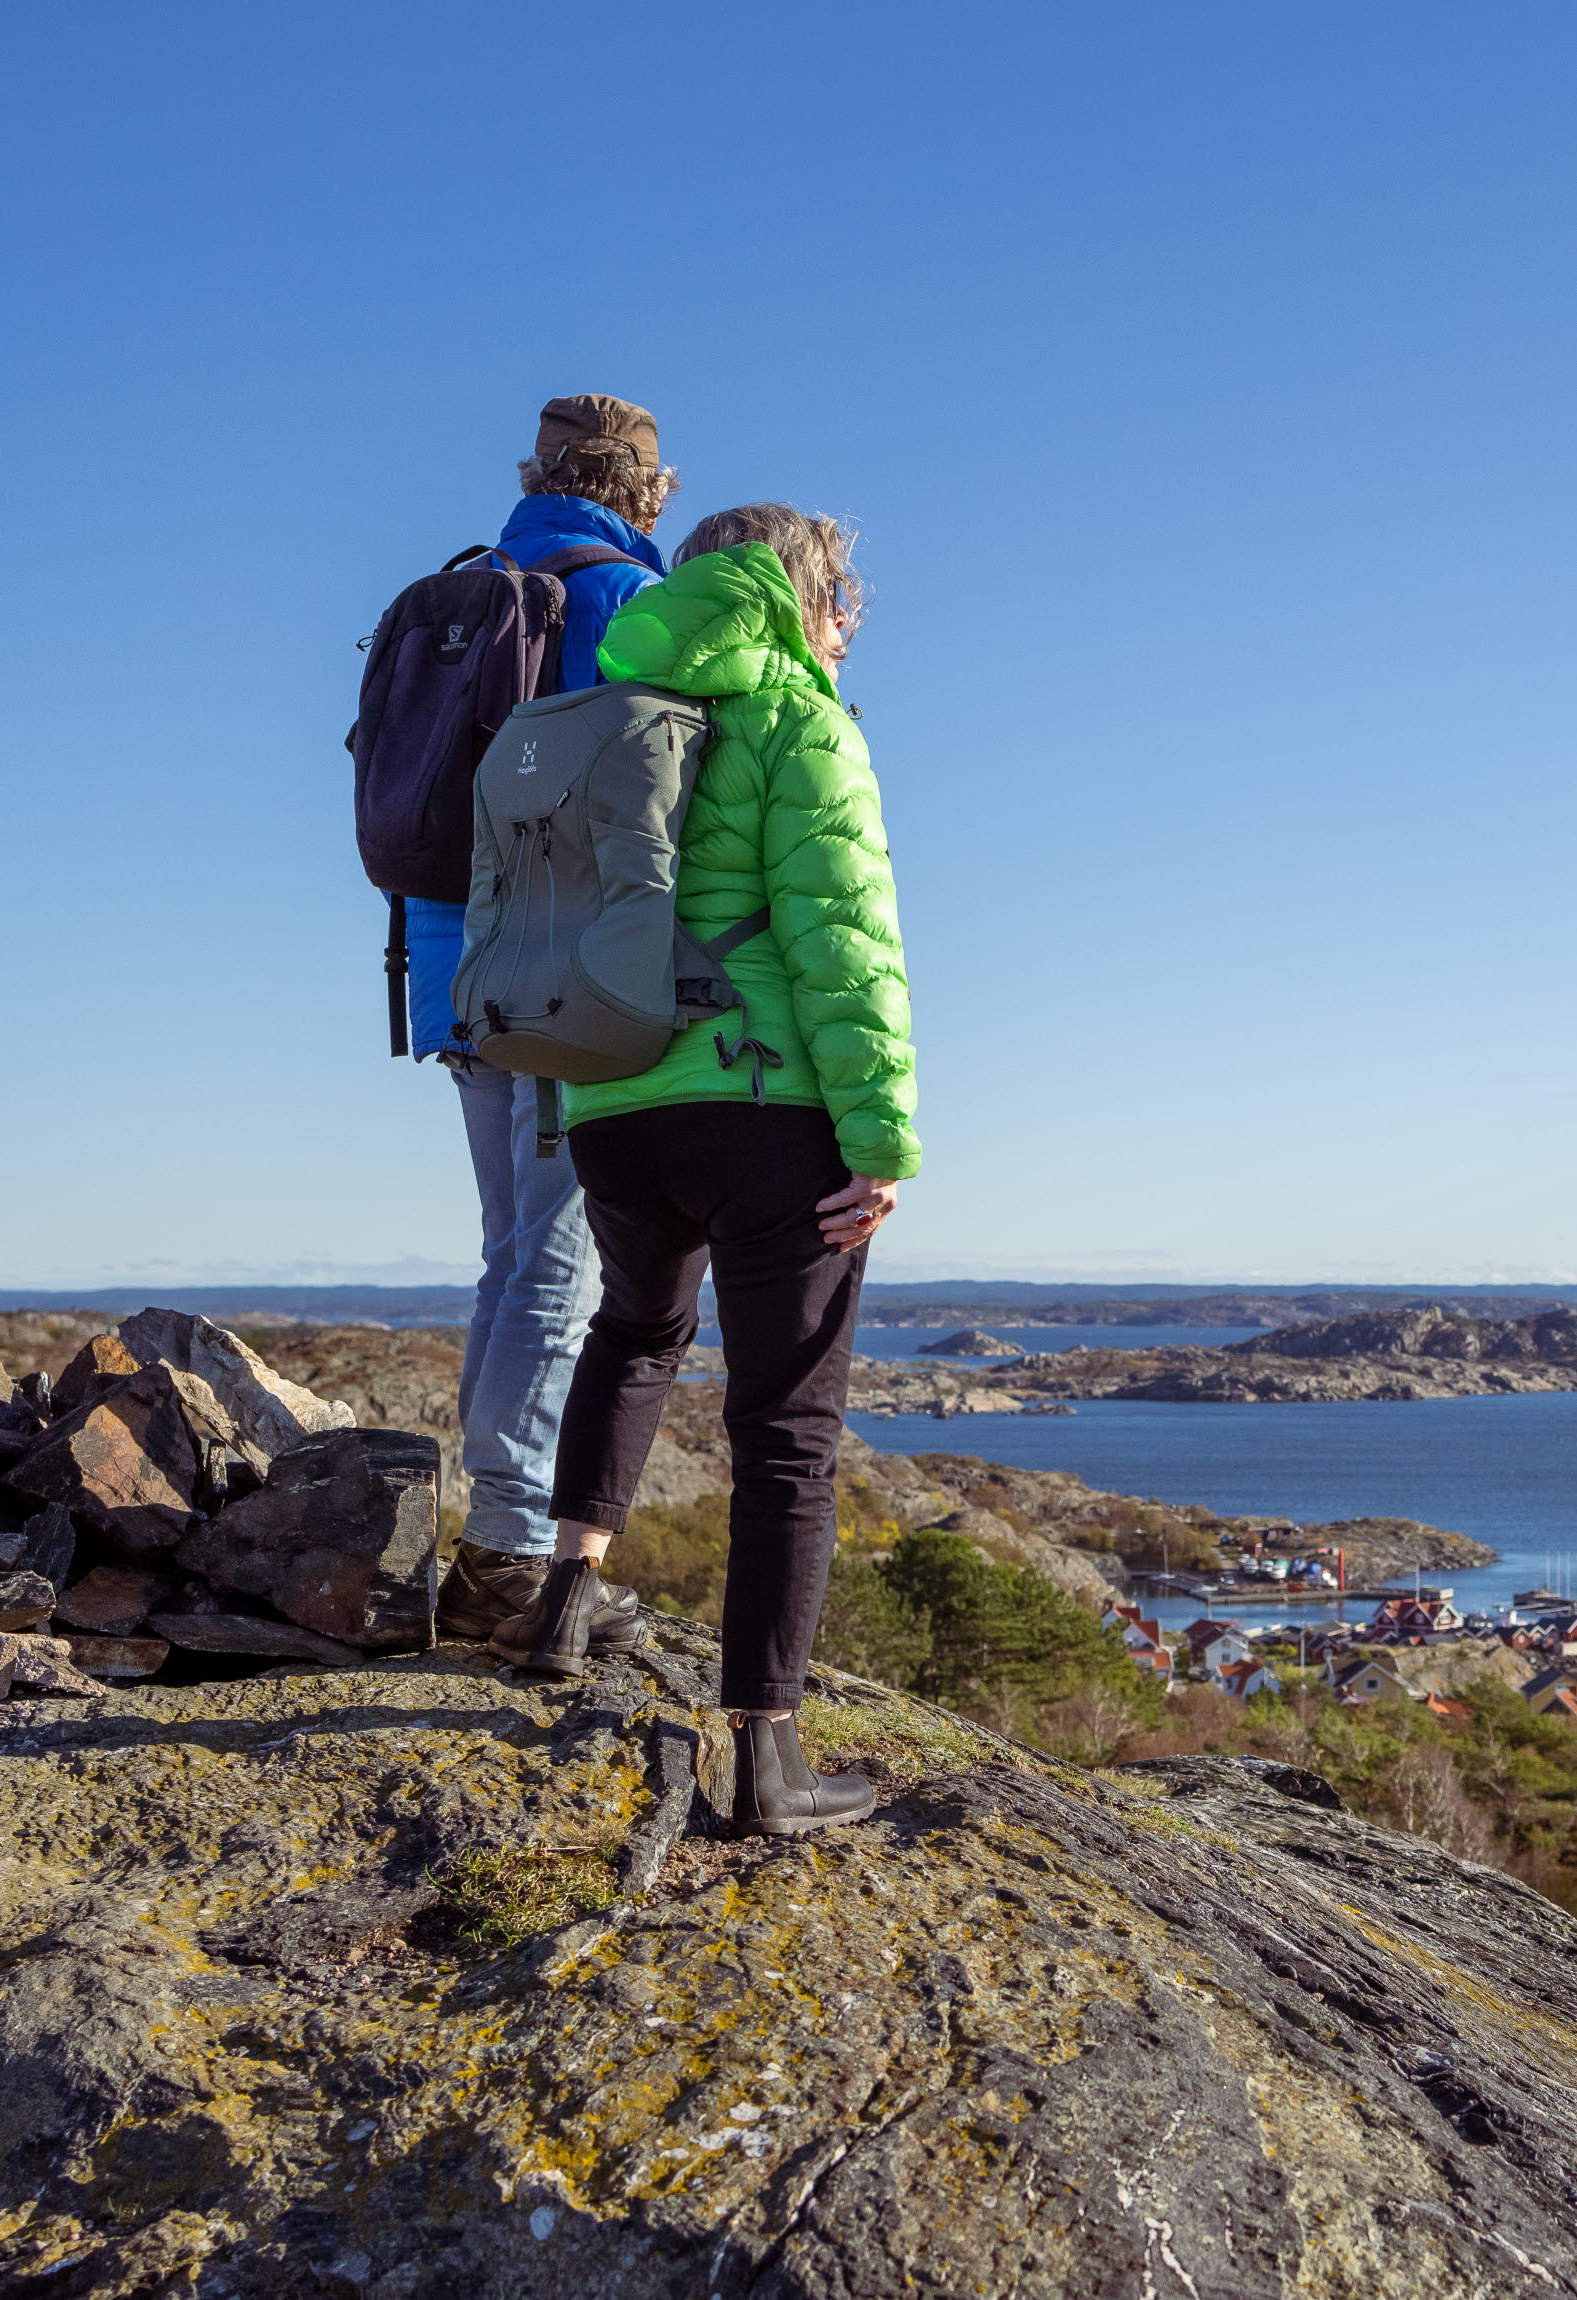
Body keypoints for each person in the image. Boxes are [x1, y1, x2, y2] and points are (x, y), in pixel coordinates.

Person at [502, 504, 917, 1840]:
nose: (854, 625)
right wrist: (882, 1142)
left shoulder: (611, 710)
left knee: (633, 1331)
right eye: (848, 600)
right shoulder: (802, 722)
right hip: (765, 1104)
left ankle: (565, 1601)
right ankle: (764, 1761)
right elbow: (843, 941)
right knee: (785, 1426)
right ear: (811, 598)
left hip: (612, 1098)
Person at [421, 395, 676, 1656]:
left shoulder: (472, 590)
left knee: (511, 1255)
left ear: (536, 472)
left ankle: (488, 1533)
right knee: (560, 1269)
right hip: (565, 983)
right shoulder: (620, 598)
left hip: (451, 968)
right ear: (649, 489)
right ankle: (511, 1554)